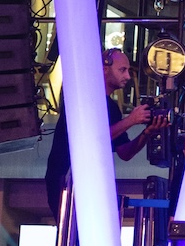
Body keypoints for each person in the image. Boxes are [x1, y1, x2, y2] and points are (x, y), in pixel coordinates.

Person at [43, 48, 165, 218]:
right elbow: (91, 139)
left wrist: (147, 133)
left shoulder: (112, 107)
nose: (128, 76)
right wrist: (131, 120)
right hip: (67, 182)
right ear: (104, 69)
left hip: (90, 185)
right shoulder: (84, 98)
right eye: (122, 70)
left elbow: (125, 153)